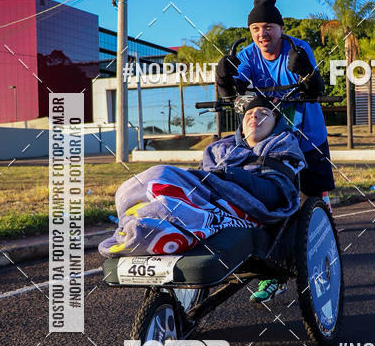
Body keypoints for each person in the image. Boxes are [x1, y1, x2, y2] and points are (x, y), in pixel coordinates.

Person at [216, 0, 335, 300]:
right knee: (272, 196)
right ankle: (276, 268)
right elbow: (237, 90)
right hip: (270, 140)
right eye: (255, 29)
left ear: (280, 28)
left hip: (308, 135)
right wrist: (224, 78)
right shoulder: (248, 56)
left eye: (268, 27)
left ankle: (317, 250)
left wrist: (306, 73)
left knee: (310, 199)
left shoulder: (298, 47)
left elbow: (315, 87)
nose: (262, 34)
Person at [99, 97, 305, 260]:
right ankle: (144, 224)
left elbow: (273, 195)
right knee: (150, 182)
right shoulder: (219, 148)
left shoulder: (281, 147)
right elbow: (199, 181)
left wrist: (229, 174)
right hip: (207, 196)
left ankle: (154, 231)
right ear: (241, 124)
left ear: (276, 123)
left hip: (244, 209)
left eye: (264, 113)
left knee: (161, 174)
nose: (255, 116)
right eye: (249, 113)